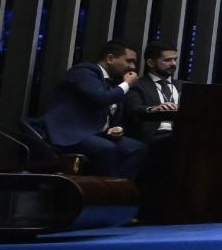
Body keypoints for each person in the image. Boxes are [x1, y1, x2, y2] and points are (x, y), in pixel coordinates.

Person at [40, 40, 146, 179]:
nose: (132, 67)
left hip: (98, 133)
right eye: (129, 61)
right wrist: (126, 84)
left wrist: (118, 127)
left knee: (137, 148)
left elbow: (114, 113)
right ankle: (107, 190)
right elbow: (101, 99)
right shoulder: (84, 72)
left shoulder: (115, 82)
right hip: (71, 133)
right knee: (106, 148)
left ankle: (115, 187)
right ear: (110, 58)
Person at [125, 44, 183, 143]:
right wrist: (154, 109)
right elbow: (133, 111)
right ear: (151, 63)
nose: (173, 63)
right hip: (156, 135)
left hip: (184, 131)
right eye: (167, 60)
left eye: (175, 59)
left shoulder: (185, 86)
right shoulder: (137, 85)